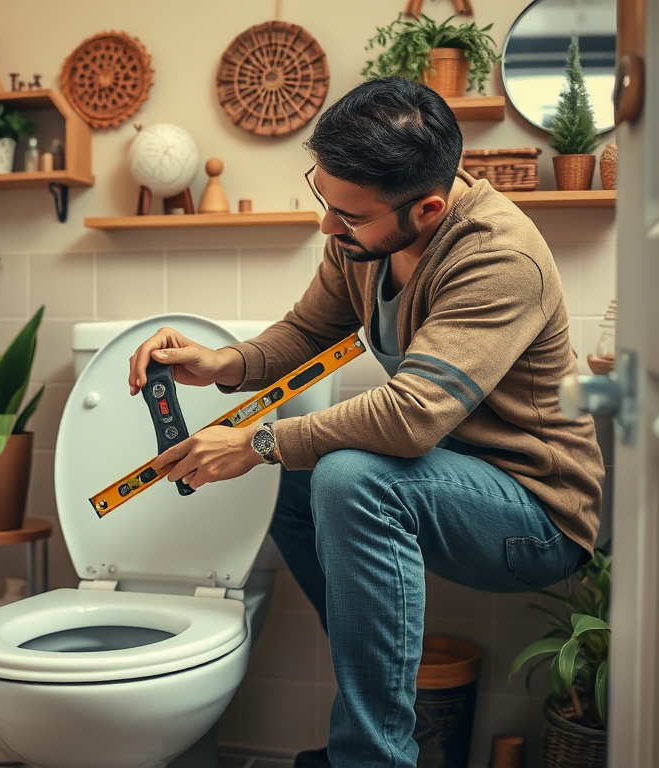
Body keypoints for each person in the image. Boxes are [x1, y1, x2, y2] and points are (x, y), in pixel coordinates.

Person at [127, 77, 604, 768]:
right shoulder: (362, 239)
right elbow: (305, 333)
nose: (328, 225)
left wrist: (259, 441)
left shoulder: (500, 256)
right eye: (325, 198)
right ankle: (375, 691)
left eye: (347, 215)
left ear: (429, 207)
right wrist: (219, 362)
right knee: (293, 490)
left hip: (534, 513)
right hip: (446, 484)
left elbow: (411, 417)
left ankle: (372, 755)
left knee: (349, 476)